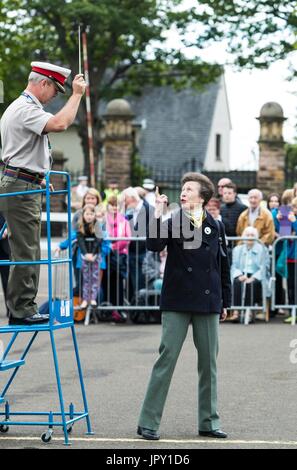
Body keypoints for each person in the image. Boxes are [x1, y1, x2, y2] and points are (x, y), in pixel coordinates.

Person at [137, 172, 231, 441]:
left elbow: (222, 265)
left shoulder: (217, 226)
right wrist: (156, 211)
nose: (183, 192)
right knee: (166, 360)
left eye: (189, 189)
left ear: (202, 197)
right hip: (178, 301)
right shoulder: (171, 221)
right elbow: (153, 245)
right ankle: (148, 422)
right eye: (183, 188)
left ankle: (209, 421)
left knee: (208, 364)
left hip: (208, 301)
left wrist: (226, 301)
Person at [0, 61, 86, 325]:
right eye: (55, 91)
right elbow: (60, 124)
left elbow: (23, 154)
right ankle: (21, 310)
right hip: (20, 187)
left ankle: (23, 307)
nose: (54, 98)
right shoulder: (26, 108)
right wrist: (77, 95)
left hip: (25, 184)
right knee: (26, 251)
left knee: (27, 249)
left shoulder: (22, 107)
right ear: (43, 83)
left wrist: (37, 176)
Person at [229, 226, 270, 323]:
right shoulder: (237, 249)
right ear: (243, 236)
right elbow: (234, 266)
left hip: (256, 274)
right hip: (241, 273)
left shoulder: (262, 249)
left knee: (252, 284)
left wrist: (253, 277)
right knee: (237, 282)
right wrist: (239, 275)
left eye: (252, 235)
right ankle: (236, 312)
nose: (250, 237)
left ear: (256, 237)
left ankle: (250, 311)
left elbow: (265, 267)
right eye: (247, 235)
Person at [121, 187, 154, 301]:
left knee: (140, 285)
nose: (123, 203)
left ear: (131, 198)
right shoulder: (130, 211)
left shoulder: (150, 210)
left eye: (125, 200)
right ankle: (133, 309)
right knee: (131, 284)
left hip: (143, 254)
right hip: (131, 253)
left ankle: (140, 311)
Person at [104, 195, 131, 306]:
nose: (114, 207)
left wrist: (113, 247)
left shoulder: (124, 221)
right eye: (112, 205)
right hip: (105, 255)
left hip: (119, 256)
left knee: (118, 283)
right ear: (108, 206)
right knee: (105, 282)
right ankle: (106, 308)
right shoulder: (102, 219)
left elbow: (127, 238)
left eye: (116, 205)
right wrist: (108, 246)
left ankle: (117, 308)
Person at [76, 205, 103, 309]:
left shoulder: (97, 225)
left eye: (91, 214)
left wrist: (92, 254)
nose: (89, 216)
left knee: (95, 278)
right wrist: (86, 254)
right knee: (86, 279)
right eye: (87, 214)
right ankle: (85, 299)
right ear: (83, 215)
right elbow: (80, 241)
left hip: (95, 255)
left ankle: (92, 298)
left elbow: (98, 240)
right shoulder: (80, 226)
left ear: (94, 215)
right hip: (85, 256)